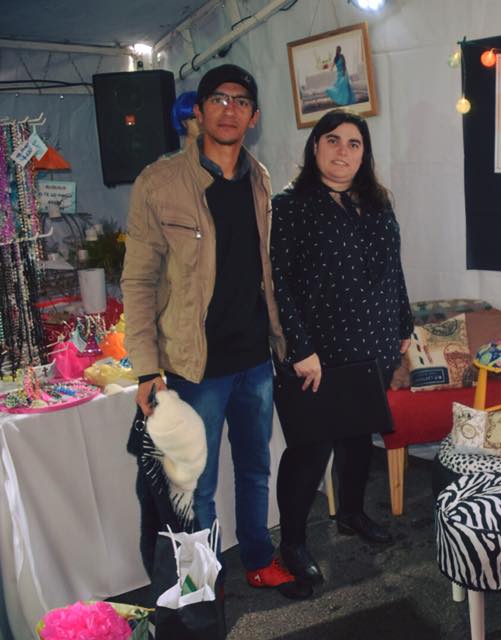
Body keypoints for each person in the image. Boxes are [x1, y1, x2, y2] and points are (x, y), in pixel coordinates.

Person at [121, 63, 302, 597]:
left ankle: (258, 558)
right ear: (198, 111)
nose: (229, 109)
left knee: (255, 468)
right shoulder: (159, 183)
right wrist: (146, 369)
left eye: (241, 101)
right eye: (218, 99)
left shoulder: (260, 178)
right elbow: (138, 281)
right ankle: (202, 581)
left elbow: (265, 270)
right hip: (191, 364)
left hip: (254, 359)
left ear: (254, 117)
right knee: (194, 484)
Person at [270, 109, 413, 585]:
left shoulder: (377, 201)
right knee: (310, 450)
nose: (343, 152)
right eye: (332, 140)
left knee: (357, 437)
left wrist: (403, 323)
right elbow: (277, 283)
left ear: (364, 153)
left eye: (354, 143)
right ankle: (292, 542)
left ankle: (351, 512)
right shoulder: (290, 206)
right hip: (318, 352)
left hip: (373, 342)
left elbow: (393, 267)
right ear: (315, 147)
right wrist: (298, 348)